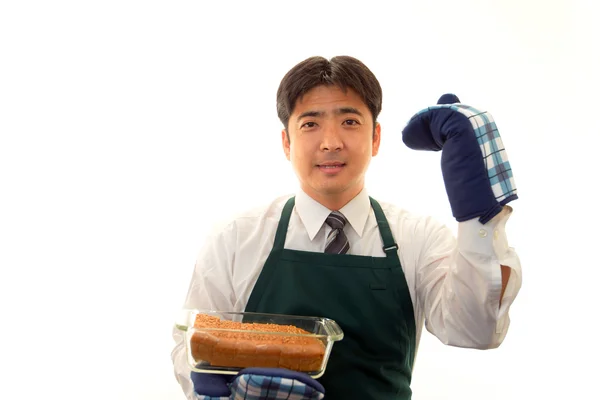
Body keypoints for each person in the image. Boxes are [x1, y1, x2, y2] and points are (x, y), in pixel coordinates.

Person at [171, 55, 522, 400]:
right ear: (286, 143)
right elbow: (192, 346)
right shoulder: (236, 238)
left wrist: (479, 216)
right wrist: (222, 395)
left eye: (350, 122)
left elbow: (476, 330)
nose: (331, 142)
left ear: (375, 138)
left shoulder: (418, 238)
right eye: (310, 124)